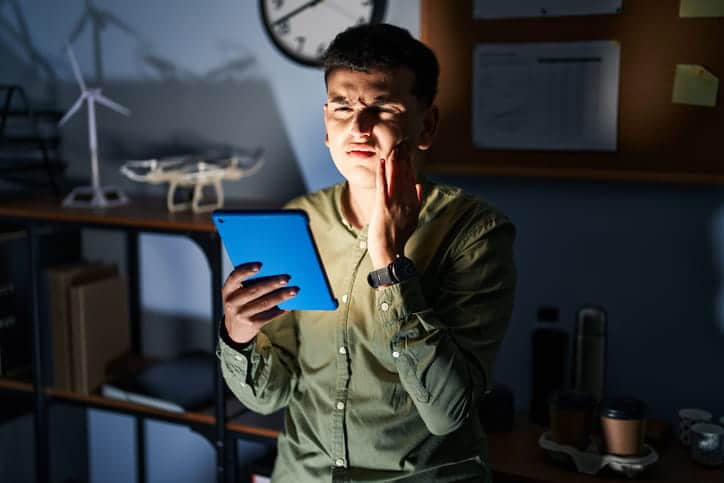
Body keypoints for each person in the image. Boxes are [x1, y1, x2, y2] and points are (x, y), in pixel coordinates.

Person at [217, 23, 516, 482]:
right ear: (326, 123)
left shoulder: (474, 232)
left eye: (382, 107)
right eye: (342, 106)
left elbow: (447, 413)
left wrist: (391, 265)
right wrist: (238, 336)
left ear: (426, 125)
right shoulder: (299, 220)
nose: (358, 126)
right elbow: (267, 398)